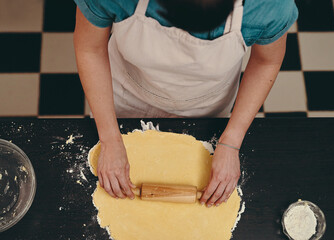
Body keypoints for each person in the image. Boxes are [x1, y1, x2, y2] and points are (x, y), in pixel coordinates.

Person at [73, 0, 298, 207]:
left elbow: (266, 61)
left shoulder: (268, 5)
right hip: (125, 95)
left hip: (207, 106)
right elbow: (89, 48)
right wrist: (110, 138)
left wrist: (230, 142)